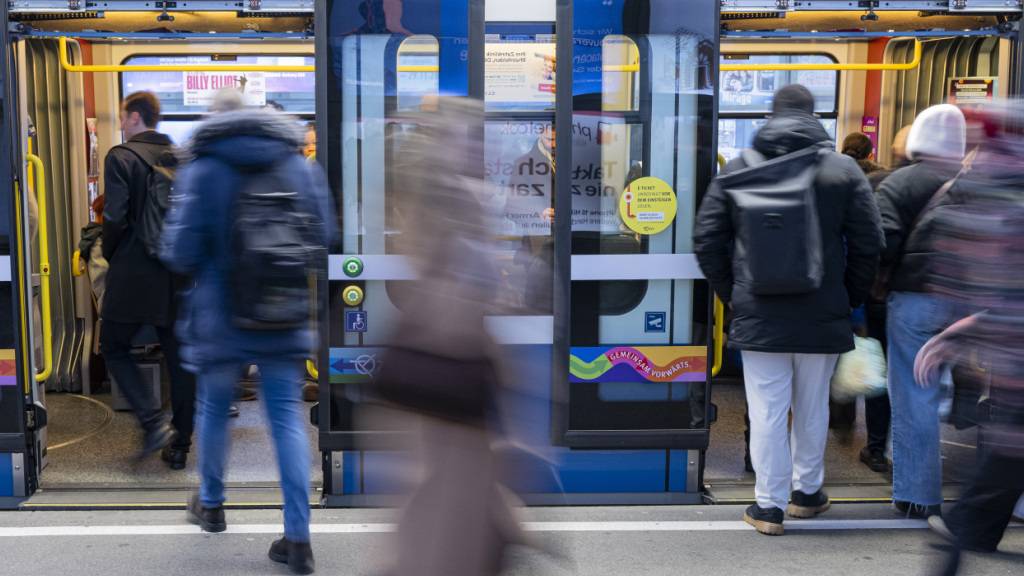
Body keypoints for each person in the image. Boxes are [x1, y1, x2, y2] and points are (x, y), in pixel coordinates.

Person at [694, 84, 883, 535]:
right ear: (812, 116)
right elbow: (869, 243)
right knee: (812, 406)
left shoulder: (739, 169)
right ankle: (807, 493)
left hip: (758, 312)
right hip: (822, 311)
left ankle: (768, 506)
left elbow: (707, 240)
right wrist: (848, 296)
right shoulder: (843, 170)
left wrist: (734, 295)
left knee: (767, 409)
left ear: (770, 116)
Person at [160, 103, 330, 574]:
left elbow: (179, 251)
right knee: (286, 421)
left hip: (220, 318)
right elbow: (326, 234)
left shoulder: (204, 169)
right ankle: (298, 539)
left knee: (214, 409)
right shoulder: (298, 164)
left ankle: (212, 504)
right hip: (284, 314)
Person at [912, 103, 1024, 570]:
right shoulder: (1002, 189)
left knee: (1006, 443)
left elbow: (956, 268)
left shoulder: (972, 188)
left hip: (1008, 350)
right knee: (1006, 444)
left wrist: (960, 329)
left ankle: (966, 532)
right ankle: (965, 531)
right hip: (1010, 345)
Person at [875, 104, 967, 519]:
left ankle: (918, 495)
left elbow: (883, 241)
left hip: (914, 300)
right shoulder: (977, 182)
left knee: (915, 396)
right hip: (970, 306)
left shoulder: (899, 184)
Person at [100, 91, 196, 465]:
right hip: (178, 270)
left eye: (123, 116)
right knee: (180, 358)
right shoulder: (183, 157)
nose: (121, 123)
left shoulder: (120, 156)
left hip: (134, 270)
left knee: (113, 345)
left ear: (136, 116)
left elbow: (114, 218)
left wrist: (112, 256)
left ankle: (153, 421)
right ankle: (181, 446)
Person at [832, 131, 895, 473]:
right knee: (877, 363)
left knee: (840, 355)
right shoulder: (884, 181)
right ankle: (879, 447)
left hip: (849, 292)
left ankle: (841, 417)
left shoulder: (840, 184)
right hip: (876, 291)